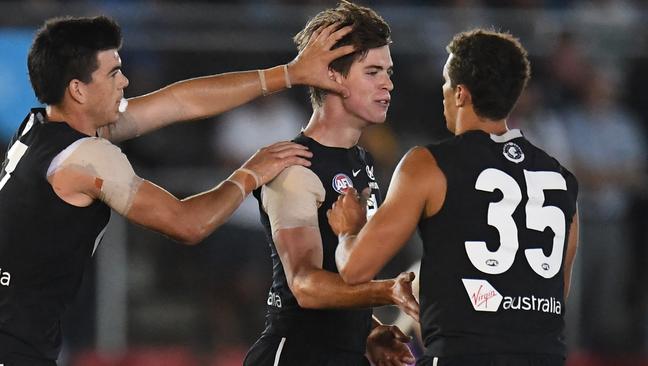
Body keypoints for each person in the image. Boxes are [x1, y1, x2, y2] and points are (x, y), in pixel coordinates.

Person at [0, 15, 356, 365]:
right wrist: (251, 172)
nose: (124, 80)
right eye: (112, 73)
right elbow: (188, 225)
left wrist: (290, 73)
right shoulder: (86, 157)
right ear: (78, 89)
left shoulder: (40, 126)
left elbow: (178, 102)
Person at [329, 29, 580, 366]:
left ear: (460, 93)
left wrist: (348, 231)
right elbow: (553, 291)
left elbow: (355, 269)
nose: (443, 92)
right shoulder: (562, 180)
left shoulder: (428, 165)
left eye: (447, 82)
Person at [243, 2, 419, 366]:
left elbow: (342, 278)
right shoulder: (296, 167)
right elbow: (305, 286)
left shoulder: (361, 159)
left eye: (388, 71)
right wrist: (389, 292)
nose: (388, 83)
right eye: (372, 72)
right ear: (332, 76)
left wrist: (368, 330)